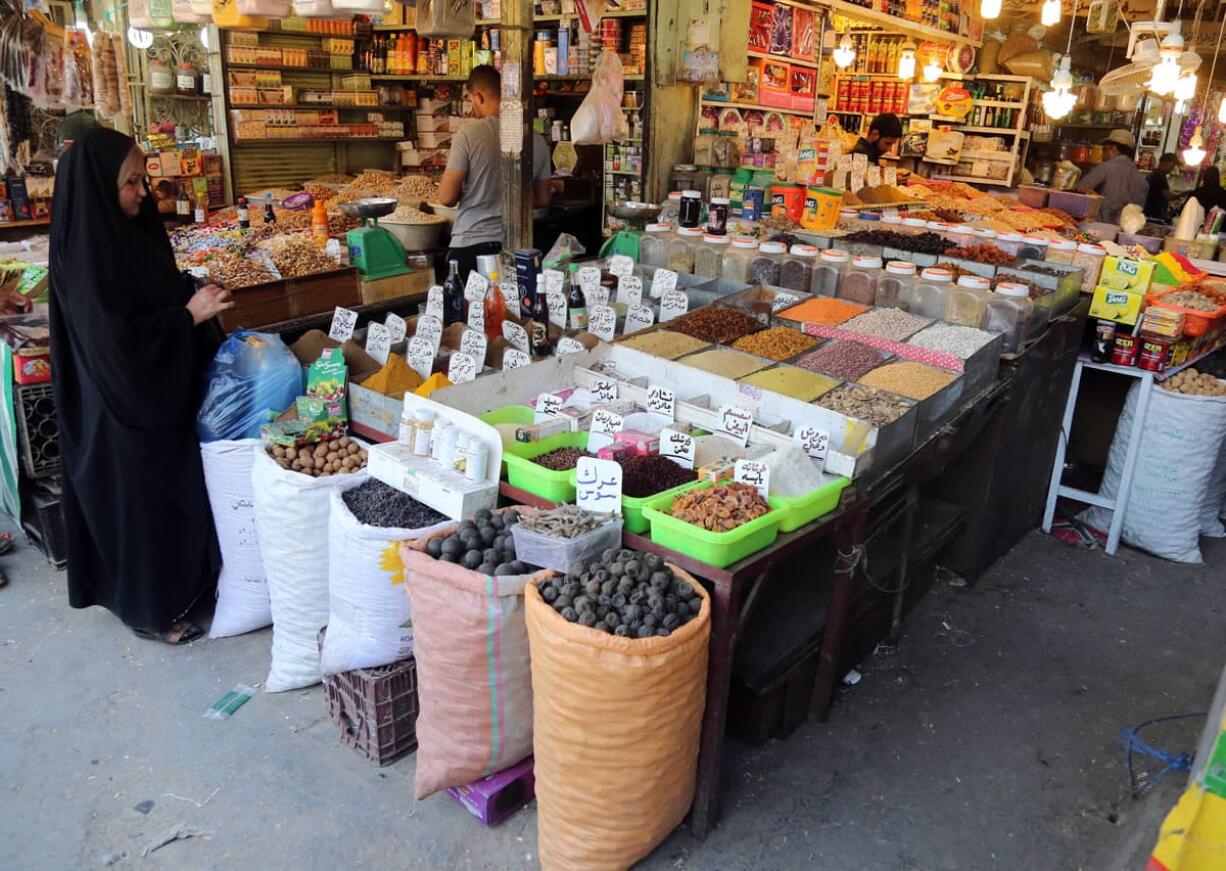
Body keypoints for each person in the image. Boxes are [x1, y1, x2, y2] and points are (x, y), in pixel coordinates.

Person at [49, 128, 232, 645]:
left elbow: (155, 290)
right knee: (141, 510)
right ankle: (150, 610)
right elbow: (117, 344)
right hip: (115, 406)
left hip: (150, 389)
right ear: (99, 187)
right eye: (130, 183)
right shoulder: (86, 252)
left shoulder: (130, 230)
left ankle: (191, 587)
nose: (142, 193)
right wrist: (186, 320)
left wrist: (194, 294)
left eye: (142, 179)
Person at [437, 65, 552, 281]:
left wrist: (475, 191)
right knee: (513, 314)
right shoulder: (537, 140)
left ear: (478, 96)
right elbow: (543, 198)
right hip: (519, 249)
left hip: (471, 245)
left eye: (471, 99)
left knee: (470, 314)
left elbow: (446, 197)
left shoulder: (469, 133)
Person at [1077, 129, 1148, 224]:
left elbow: (1079, 191)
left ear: (1113, 149)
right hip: (1124, 234)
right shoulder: (1142, 180)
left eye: (1104, 149)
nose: (1102, 154)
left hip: (1097, 228)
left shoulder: (1106, 167)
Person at [1143, 152, 1180, 222]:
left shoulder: (1155, 175)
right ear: (1165, 163)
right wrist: (1186, 193)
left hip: (1149, 213)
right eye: (1172, 165)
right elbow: (1169, 196)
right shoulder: (1159, 177)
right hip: (1152, 215)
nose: (1173, 168)